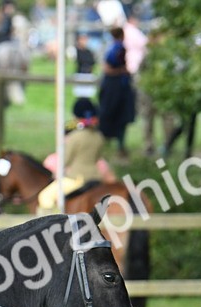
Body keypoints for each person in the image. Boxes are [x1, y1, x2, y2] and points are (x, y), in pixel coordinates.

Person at [38, 97, 116, 212]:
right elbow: (96, 158)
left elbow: (65, 161)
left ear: (76, 116)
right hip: (96, 177)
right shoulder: (99, 137)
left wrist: (55, 173)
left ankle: (54, 226)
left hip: (77, 178)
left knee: (45, 197)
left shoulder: (74, 138)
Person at [98, 26, 135, 157]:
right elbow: (108, 68)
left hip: (113, 87)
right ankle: (118, 144)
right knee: (118, 116)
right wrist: (122, 71)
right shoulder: (118, 49)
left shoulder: (110, 47)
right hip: (117, 88)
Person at [73, 31, 97, 99]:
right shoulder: (75, 51)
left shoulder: (89, 52)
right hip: (80, 74)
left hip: (88, 75)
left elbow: (92, 63)